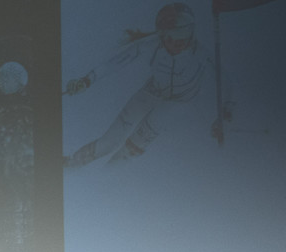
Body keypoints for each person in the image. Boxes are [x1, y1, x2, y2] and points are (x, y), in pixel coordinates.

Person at [64, 2, 233, 167]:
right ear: (163, 35)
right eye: (171, 39)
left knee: (138, 140)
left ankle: (111, 174)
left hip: (179, 102)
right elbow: (118, 61)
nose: (176, 45)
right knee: (109, 142)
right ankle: (72, 164)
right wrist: (87, 80)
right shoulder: (152, 44)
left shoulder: (202, 55)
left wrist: (225, 116)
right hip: (150, 93)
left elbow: (226, 83)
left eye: (182, 40)